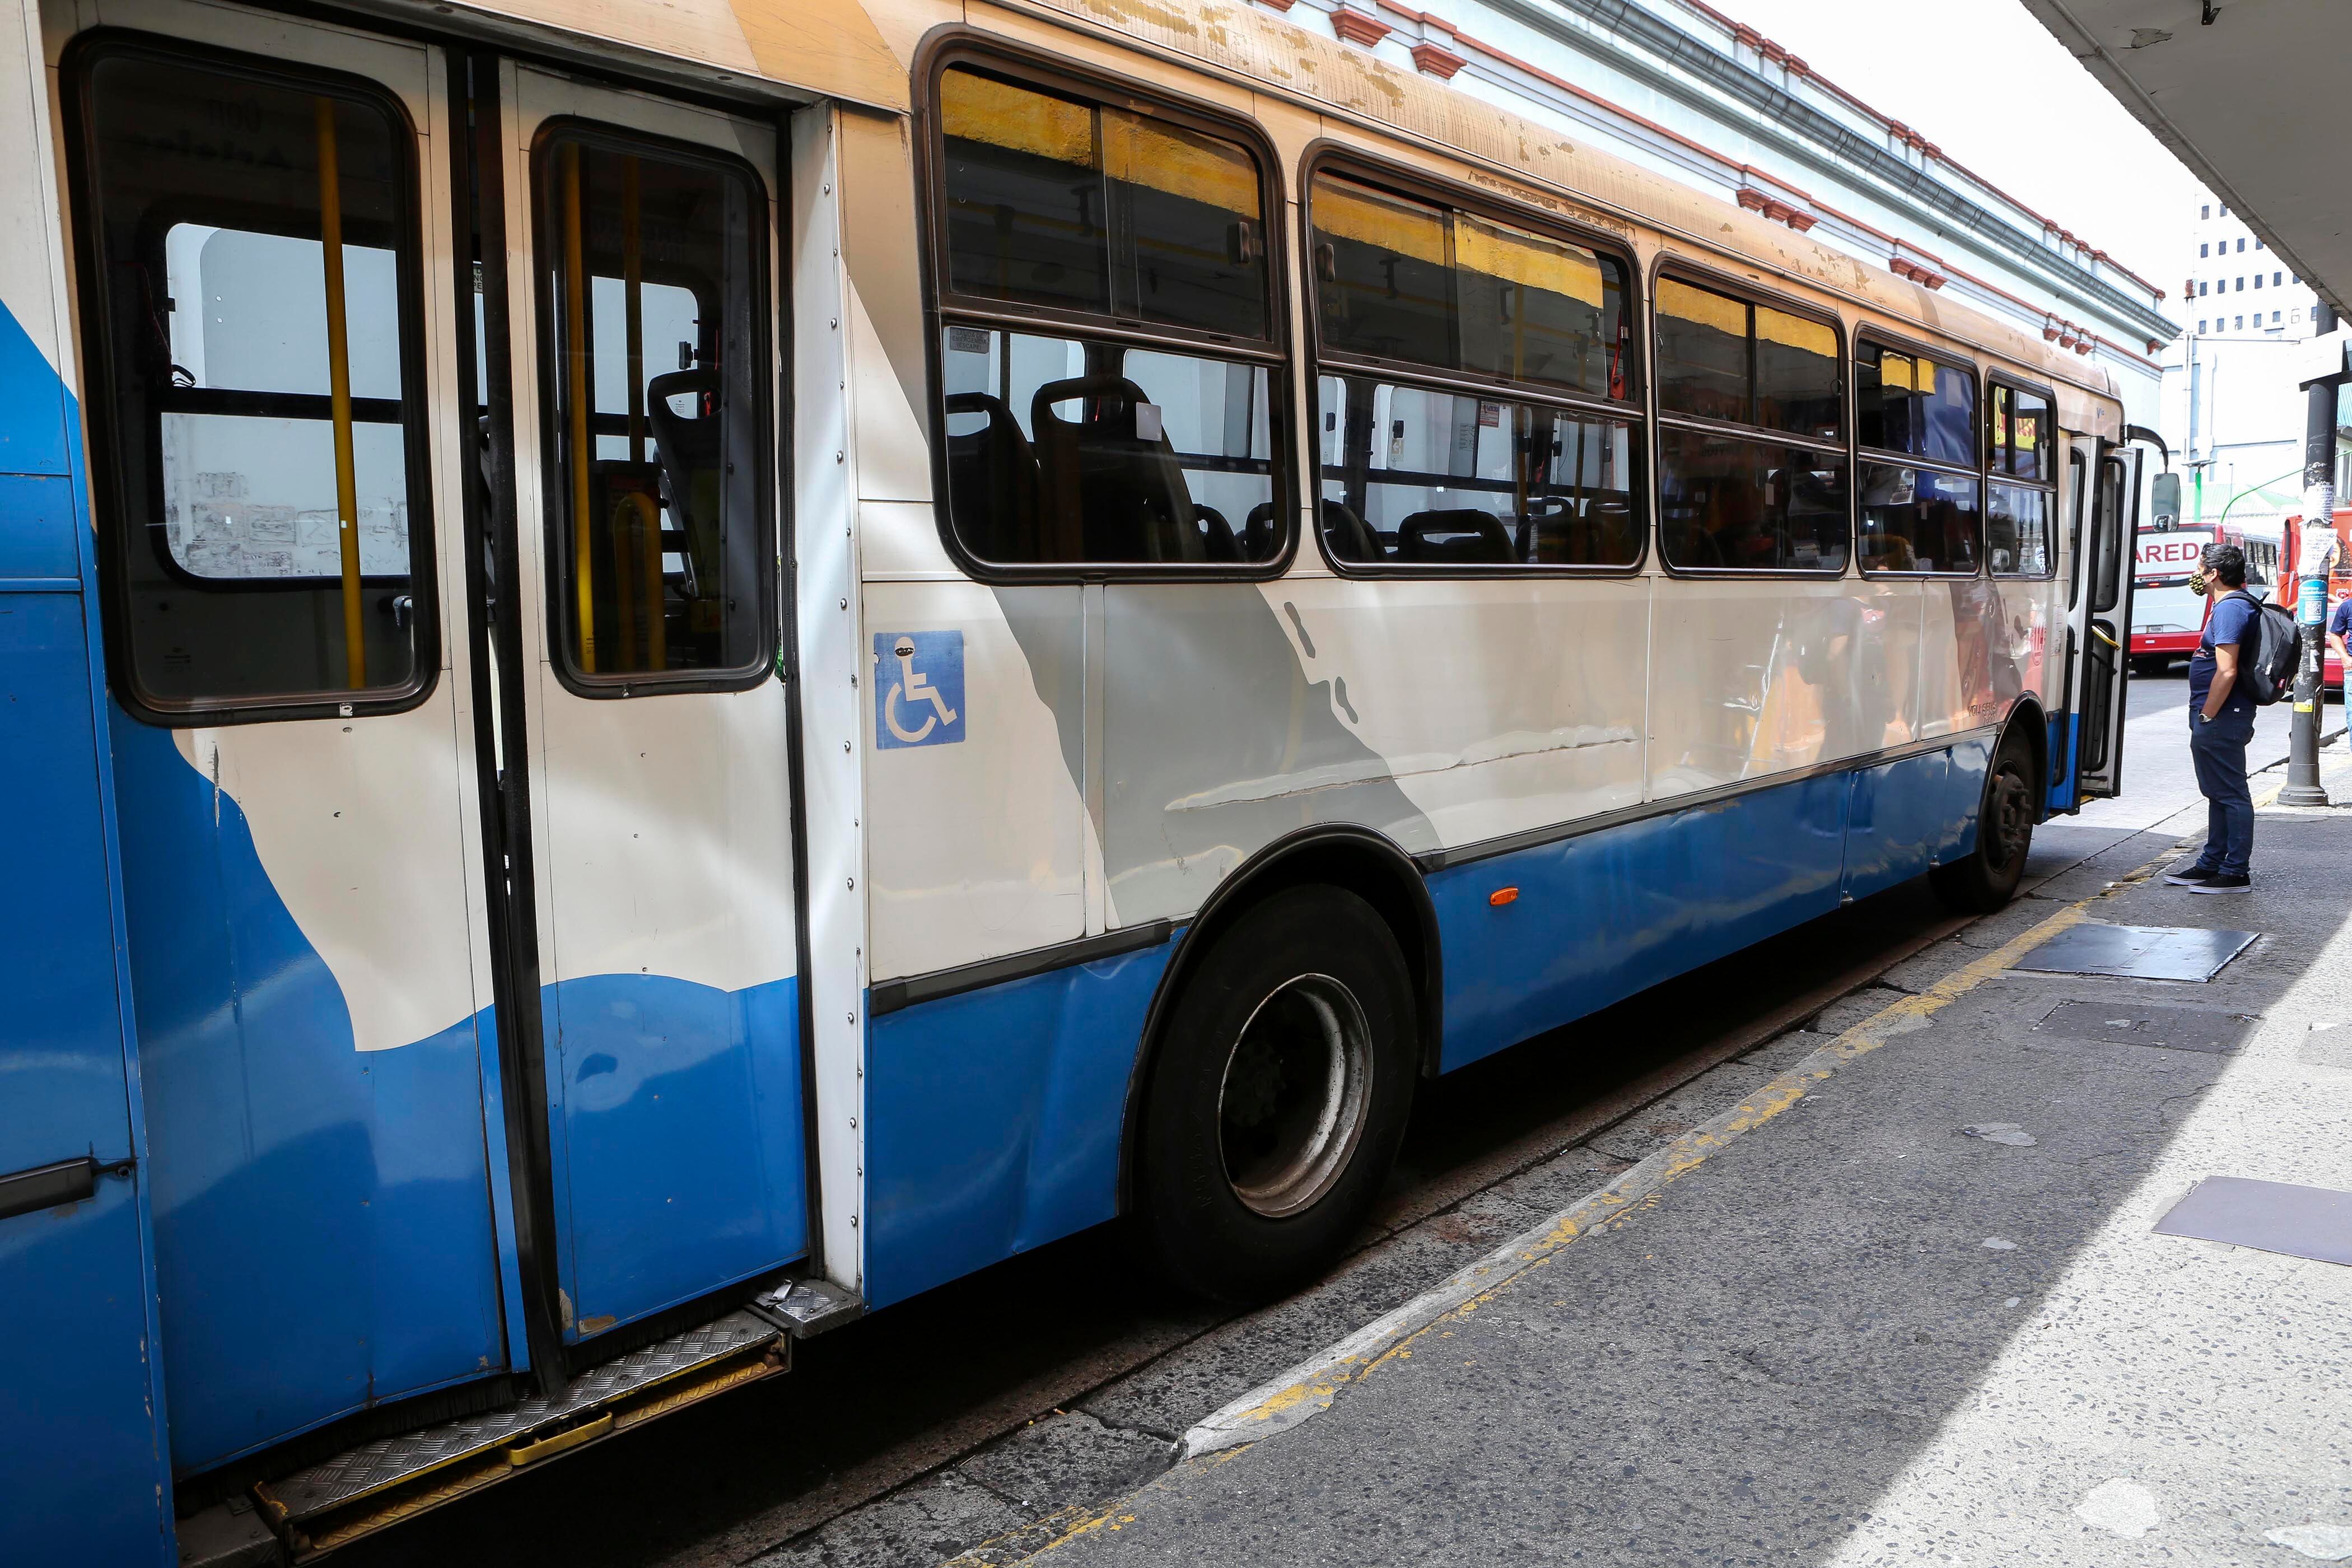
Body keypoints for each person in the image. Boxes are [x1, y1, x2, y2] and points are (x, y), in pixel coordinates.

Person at [2165, 542, 2261, 893]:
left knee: (2231, 793)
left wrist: (2207, 715)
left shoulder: (2231, 608)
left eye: (2200, 568)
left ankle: (2235, 872)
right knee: (2217, 791)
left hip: (2222, 714)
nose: (2196, 574)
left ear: (2213, 574)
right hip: (2221, 713)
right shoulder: (2230, 605)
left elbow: (2227, 670)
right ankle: (2212, 862)